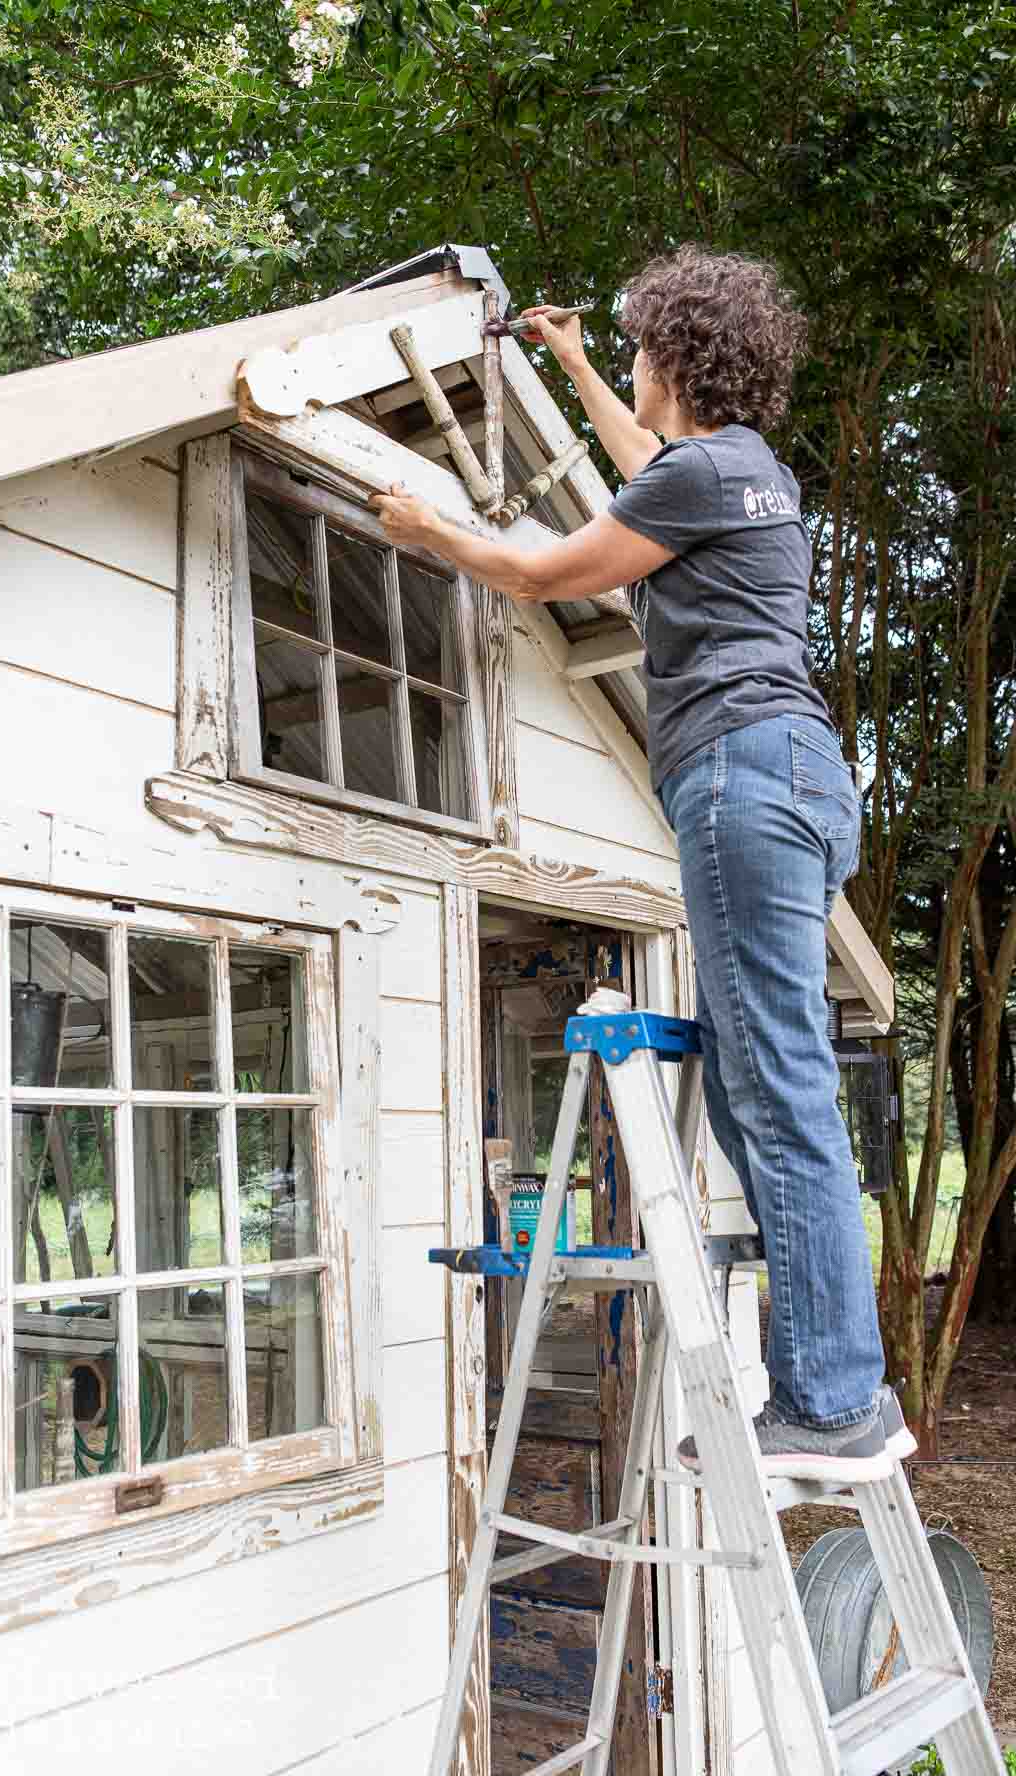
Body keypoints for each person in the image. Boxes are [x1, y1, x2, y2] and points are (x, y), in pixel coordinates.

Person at [372, 246, 908, 1479]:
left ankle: (834, 1400)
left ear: (672, 357)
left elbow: (550, 569)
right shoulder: (743, 472)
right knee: (747, 1081)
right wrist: (561, 360)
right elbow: (643, 474)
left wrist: (429, 527)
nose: (626, 365)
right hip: (797, 779)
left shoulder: (708, 475)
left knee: (777, 1092)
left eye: (628, 350)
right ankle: (832, 1384)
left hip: (741, 778)